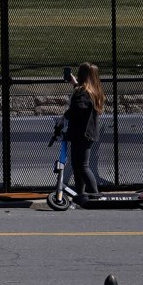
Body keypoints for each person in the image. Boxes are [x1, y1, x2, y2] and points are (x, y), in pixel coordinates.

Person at [54, 63, 104, 200]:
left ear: (82, 76)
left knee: (82, 166)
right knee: (77, 165)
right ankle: (80, 194)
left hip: (82, 134)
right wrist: (74, 84)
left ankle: (95, 194)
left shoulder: (82, 93)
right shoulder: (92, 91)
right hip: (85, 134)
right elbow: (83, 100)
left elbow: (79, 108)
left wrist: (65, 116)